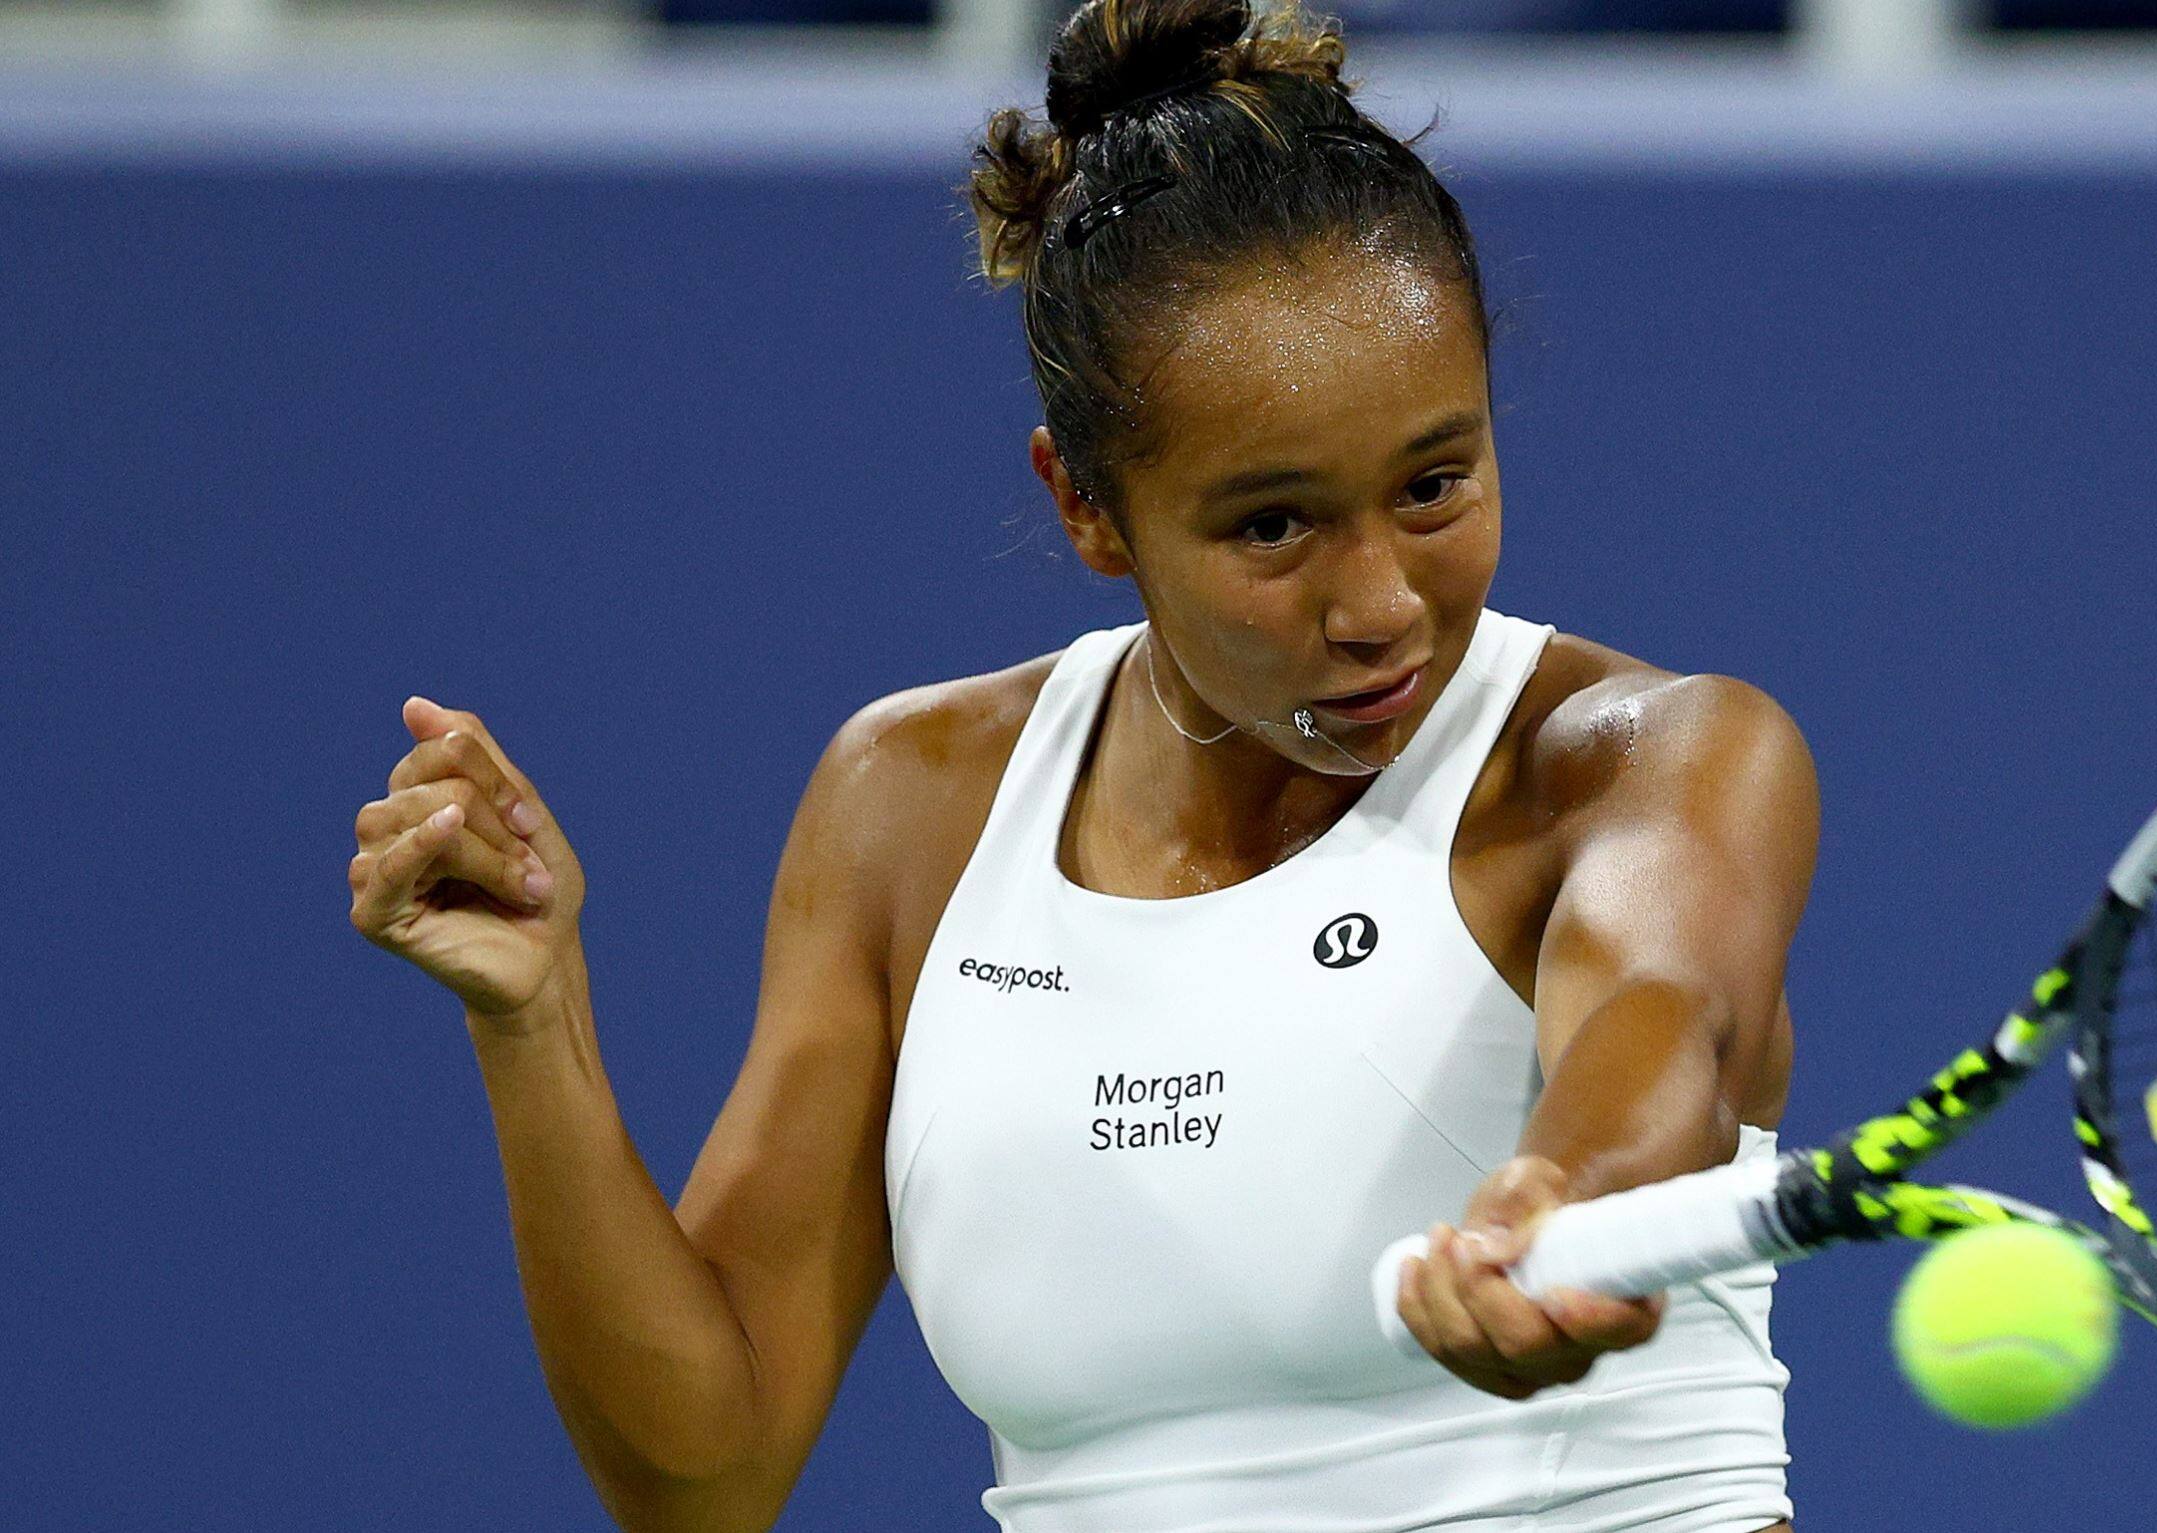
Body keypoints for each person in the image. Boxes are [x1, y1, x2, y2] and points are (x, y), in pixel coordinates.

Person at [346, 2, 1816, 1527]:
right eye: (1274, 525)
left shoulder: (1651, 764)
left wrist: (1557, 1197)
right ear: (1089, 507)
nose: (1380, 602)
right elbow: (701, 1475)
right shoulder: (908, 808)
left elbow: (1665, 1029)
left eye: (1435, 483)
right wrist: (536, 1024)